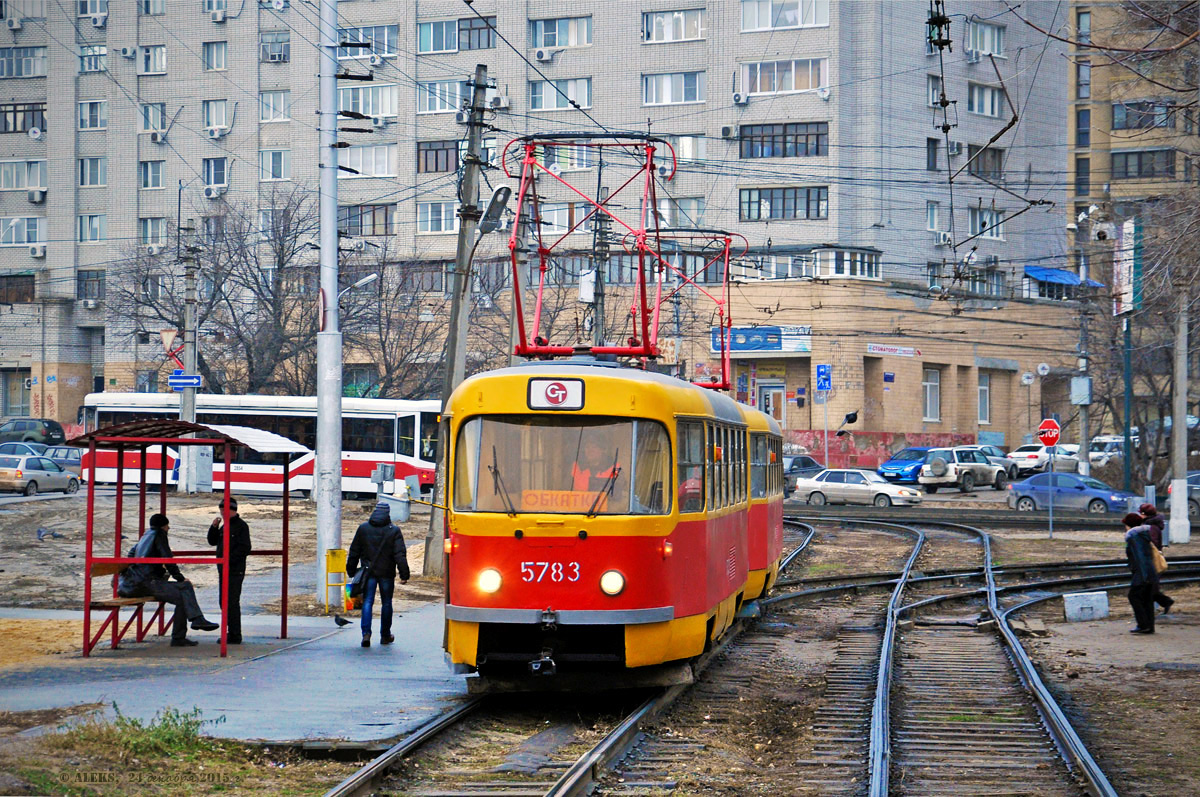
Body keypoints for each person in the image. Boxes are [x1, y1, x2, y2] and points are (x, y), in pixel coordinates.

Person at [118, 514, 219, 647]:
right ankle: (194, 622)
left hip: (135, 584)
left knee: (183, 597)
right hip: (147, 583)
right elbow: (168, 560)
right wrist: (180, 578)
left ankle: (183, 633)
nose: (169, 528)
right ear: (163, 526)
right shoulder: (159, 535)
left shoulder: (145, 535)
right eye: (167, 525)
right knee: (186, 587)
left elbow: (131, 555)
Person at [346, 501, 409, 648]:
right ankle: (385, 635)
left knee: (367, 602)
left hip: (368, 573)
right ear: (387, 514)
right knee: (386, 603)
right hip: (386, 573)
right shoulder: (394, 530)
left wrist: (351, 570)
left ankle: (366, 634)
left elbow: (354, 551)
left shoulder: (363, 529)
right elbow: (400, 554)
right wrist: (404, 574)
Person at [207, 497, 252, 644]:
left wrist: (229, 560)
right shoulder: (224, 526)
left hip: (234, 570)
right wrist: (213, 527)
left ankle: (234, 634)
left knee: (231, 601)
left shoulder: (241, 526)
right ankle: (231, 632)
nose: (221, 512)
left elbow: (245, 548)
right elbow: (212, 541)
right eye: (220, 510)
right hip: (223, 569)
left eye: (223, 509)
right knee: (224, 601)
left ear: (232, 510)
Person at [1122, 512, 1159, 635]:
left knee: (1134, 596)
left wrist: (1143, 577)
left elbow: (1140, 558)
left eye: (1126, 525)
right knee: (1147, 599)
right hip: (1150, 572)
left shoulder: (1134, 537)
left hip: (1142, 573)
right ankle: (1149, 626)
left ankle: (1143, 625)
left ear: (1130, 525)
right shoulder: (1143, 534)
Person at [1139, 503, 1175, 614]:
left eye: (1141, 513)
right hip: (1152, 559)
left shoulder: (1151, 527)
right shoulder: (1152, 525)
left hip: (1152, 560)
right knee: (1151, 587)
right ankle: (1165, 602)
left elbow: (1152, 544)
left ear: (1145, 514)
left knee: (1150, 587)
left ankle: (1162, 604)